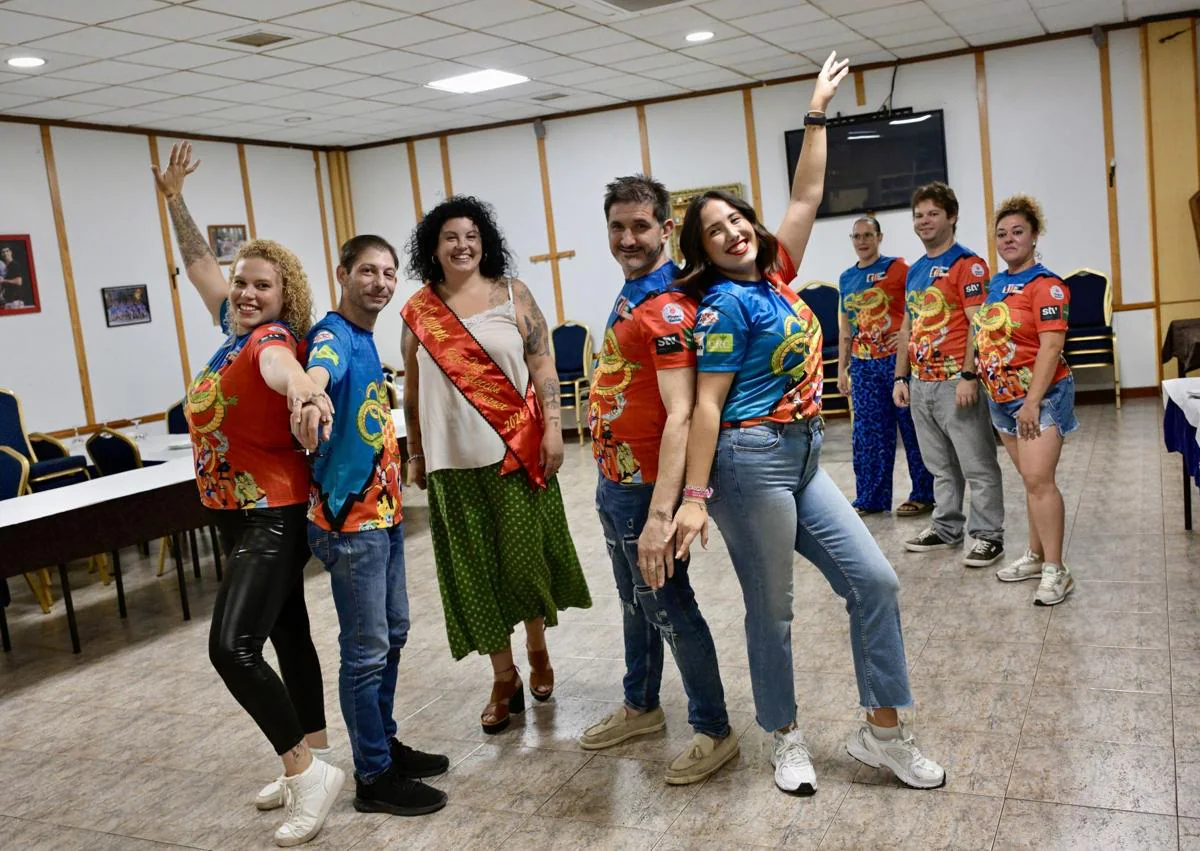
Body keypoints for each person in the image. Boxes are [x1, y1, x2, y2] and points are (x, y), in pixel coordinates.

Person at [671, 53, 945, 796]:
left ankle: (883, 730)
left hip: (801, 456)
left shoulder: (779, 275)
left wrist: (817, 111)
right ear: (701, 252)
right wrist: (695, 496)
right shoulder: (726, 306)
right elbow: (705, 405)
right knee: (775, 608)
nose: (731, 232)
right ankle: (784, 736)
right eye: (714, 232)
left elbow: (808, 189)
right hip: (748, 459)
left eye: (736, 219)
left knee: (876, 581)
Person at [153, 142, 342, 848]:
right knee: (287, 630)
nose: (245, 291)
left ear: (283, 294)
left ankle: (305, 771)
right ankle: (313, 755)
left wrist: (307, 394)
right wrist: (174, 200)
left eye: (261, 284)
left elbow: (287, 372)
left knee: (231, 647)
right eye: (241, 283)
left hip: (269, 513)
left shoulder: (267, 341)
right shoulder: (227, 334)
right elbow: (201, 264)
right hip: (231, 511)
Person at [400, 196, 591, 735]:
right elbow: (412, 394)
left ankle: (537, 649)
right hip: (448, 464)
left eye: (471, 236)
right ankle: (502, 678)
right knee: (475, 574)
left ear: (484, 241)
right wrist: (415, 451)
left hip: (515, 452)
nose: (462, 246)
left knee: (524, 564)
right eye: (450, 238)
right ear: (433, 249)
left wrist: (553, 427)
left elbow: (542, 362)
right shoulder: (418, 311)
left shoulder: (513, 294)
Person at [579, 174, 736, 785]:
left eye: (640, 225)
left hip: (648, 487)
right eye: (617, 226)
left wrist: (661, 513)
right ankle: (641, 705)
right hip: (614, 480)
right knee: (634, 602)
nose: (627, 237)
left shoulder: (668, 303)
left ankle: (713, 728)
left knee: (669, 605)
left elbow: (685, 412)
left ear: (666, 229)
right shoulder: (633, 294)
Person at [290, 234, 449, 816]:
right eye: (367, 271)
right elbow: (317, 372)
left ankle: (384, 744)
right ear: (342, 274)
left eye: (388, 273)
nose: (380, 283)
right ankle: (374, 777)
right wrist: (309, 395)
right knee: (364, 651)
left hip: (382, 516)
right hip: (348, 524)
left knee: (393, 635)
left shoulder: (364, 337)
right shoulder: (333, 335)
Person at [893, 181, 1006, 567]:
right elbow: (907, 327)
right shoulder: (915, 271)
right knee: (939, 465)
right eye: (919, 215)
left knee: (977, 463)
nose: (924, 222)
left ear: (952, 217)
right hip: (921, 383)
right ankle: (946, 527)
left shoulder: (968, 264)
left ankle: (989, 535)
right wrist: (900, 378)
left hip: (955, 380)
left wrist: (969, 375)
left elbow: (980, 324)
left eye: (933, 214)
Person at [974, 195, 1077, 605]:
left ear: (1035, 236)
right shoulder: (997, 284)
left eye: (1018, 232)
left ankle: (1056, 569)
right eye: (1002, 234)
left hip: (1041, 397)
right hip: (1002, 396)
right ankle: (1035, 556)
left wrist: (1032, 403)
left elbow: (1051, 348)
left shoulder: (1047, 285)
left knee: (1040, 482)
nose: (1009, 239)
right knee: (1030, 482)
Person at [836, 216, 933, 516]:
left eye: (868, 235)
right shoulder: (846, 278)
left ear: (880, 237)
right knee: (868, 435)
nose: (862, 241)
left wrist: (908, 338)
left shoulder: (899, 269)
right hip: (863, 367)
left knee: (912, 429)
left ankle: (924, 494)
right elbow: (845, 329)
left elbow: (921, 304)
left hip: (896, 364)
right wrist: (843, 368)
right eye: (857, 236)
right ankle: (871, 498)